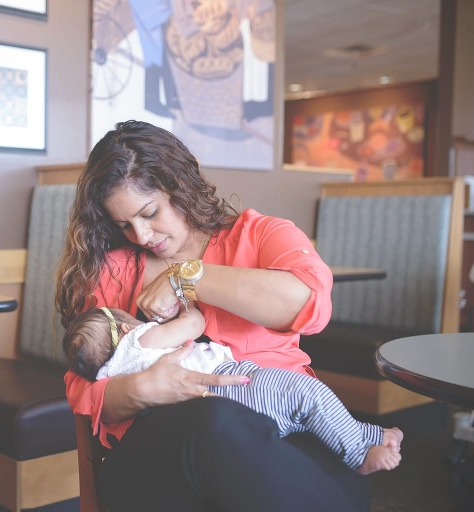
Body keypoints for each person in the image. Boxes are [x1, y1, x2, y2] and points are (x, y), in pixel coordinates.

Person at [55, 120, 375, 511]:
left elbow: (310, 306)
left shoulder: (263, 235)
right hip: (163, 448)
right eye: (125, 225)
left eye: (150, 213)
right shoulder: (116, 270)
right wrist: (140, 390)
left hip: (282, 424)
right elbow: (83, 387)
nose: (140, 236)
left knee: (336, 483)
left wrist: (189, 277)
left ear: (180, 187)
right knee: (215, 420)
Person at [62, 304, 403, 475]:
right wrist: (186, 305)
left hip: (207, 407)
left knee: (301, 415)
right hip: (230, 383)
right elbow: (195, 325)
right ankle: (359, 454)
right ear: (124, 327)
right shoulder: (141, 339)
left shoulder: (109, 372)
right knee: (305, 394)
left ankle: (372, 434)